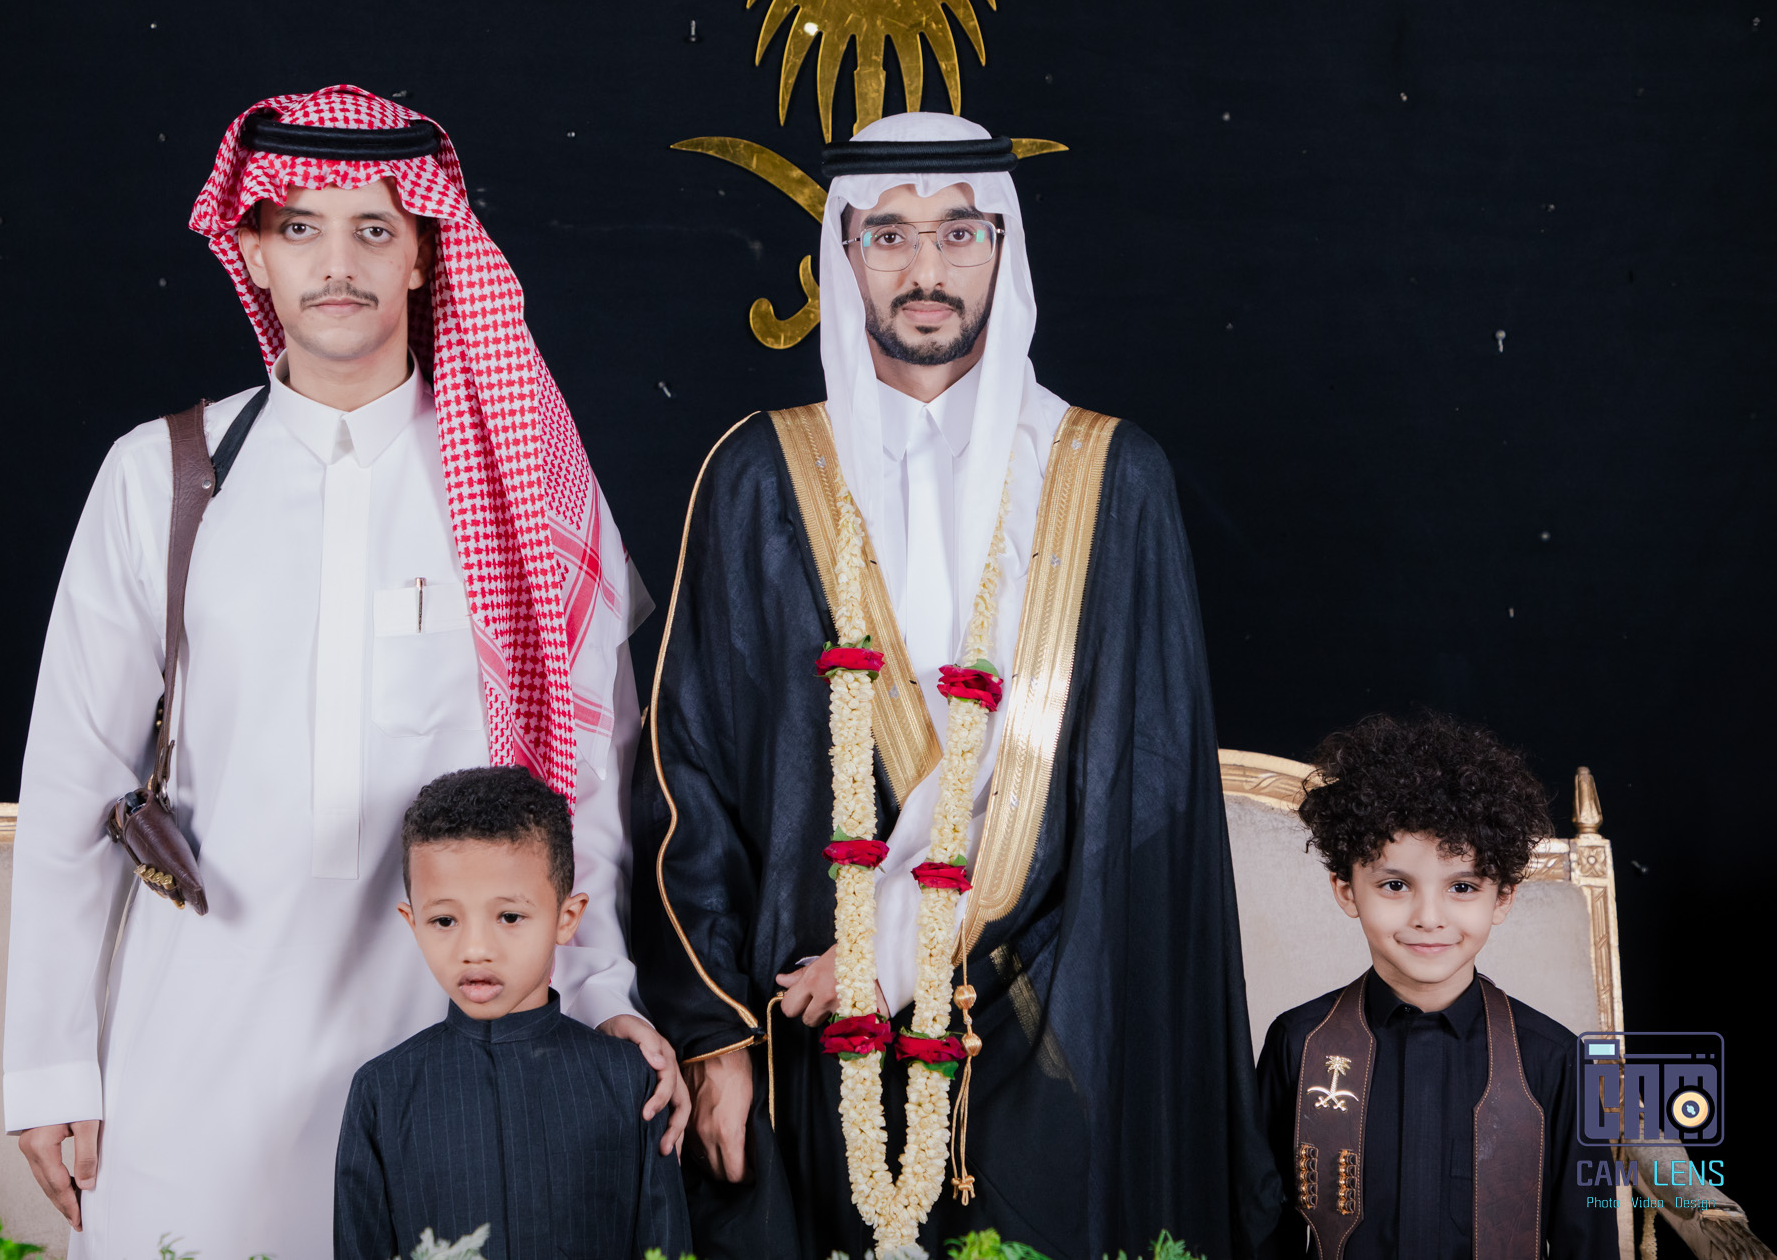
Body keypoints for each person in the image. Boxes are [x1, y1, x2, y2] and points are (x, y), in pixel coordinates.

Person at [3, 84, 685, 1260]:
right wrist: (52, 1059)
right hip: (195, 1038)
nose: (336, 264)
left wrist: (598, 991)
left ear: (423, 253)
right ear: (251, 253)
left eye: (373, 229)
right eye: (299, 228)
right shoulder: (160, 475)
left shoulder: (522, 483)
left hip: (452, 1039)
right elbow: (75, 782)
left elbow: (585, 780)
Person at [633, 111, 1277, 1260]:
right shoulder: (759, 474)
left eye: (957, 232)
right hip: (810, 1022)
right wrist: (714, 1037)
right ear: (842, 254)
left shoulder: (1107, 477)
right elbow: (688, 772)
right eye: (887, 234)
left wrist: (899, 945)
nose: (924, 269)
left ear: (1002, 248)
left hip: (1050, 1014)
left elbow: (1144, 787)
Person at [1254, 712, 1616, 1258]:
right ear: (1346, 890)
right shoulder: (1298, 1043)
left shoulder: (1556, 1061)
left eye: (1462, 887)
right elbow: (1262, 1232)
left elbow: (1588, 1244)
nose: (1429, 917)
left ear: (1503, 898)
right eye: (1395, 885)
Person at [335, 766, 692, 1260]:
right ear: (412, 923)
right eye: (444, 920)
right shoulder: (383, 1092)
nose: (475, 949)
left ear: (566, 918)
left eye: (509, 916)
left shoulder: (629, 1081)